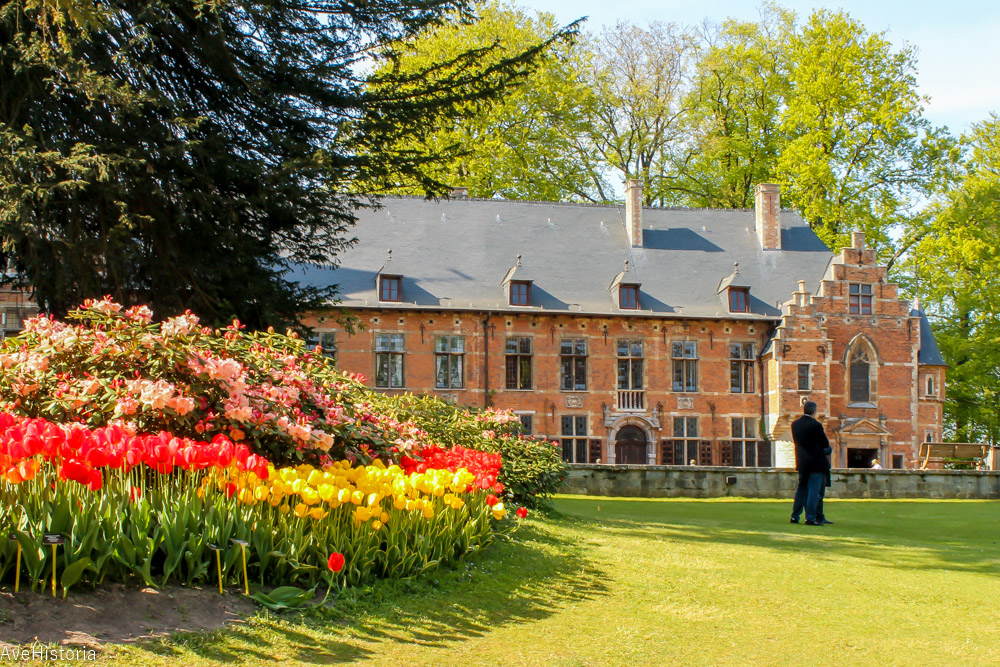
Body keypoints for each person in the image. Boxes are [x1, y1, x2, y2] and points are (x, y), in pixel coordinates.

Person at [790, 401, 834, 526]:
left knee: (801, 489)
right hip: (816, 463)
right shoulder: (816, 425)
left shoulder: (795, 424)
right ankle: (810, 517)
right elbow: (825, 443)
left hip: (802, 462)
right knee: (814, 491)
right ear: (814, 411)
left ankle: (795, 516)